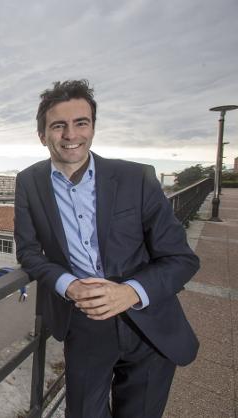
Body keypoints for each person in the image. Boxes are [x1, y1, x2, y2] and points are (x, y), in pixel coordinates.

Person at [14, 80, 199, 418]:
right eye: (59, 126)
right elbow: (28, 252)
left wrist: (130, 292)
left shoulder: (136, 177)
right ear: (43, 135)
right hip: (84, 321)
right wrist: (67, 284)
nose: (71, 135)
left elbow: (182, 259)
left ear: (93, 128)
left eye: (81, 123)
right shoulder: (28, 182)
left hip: (149, 322)